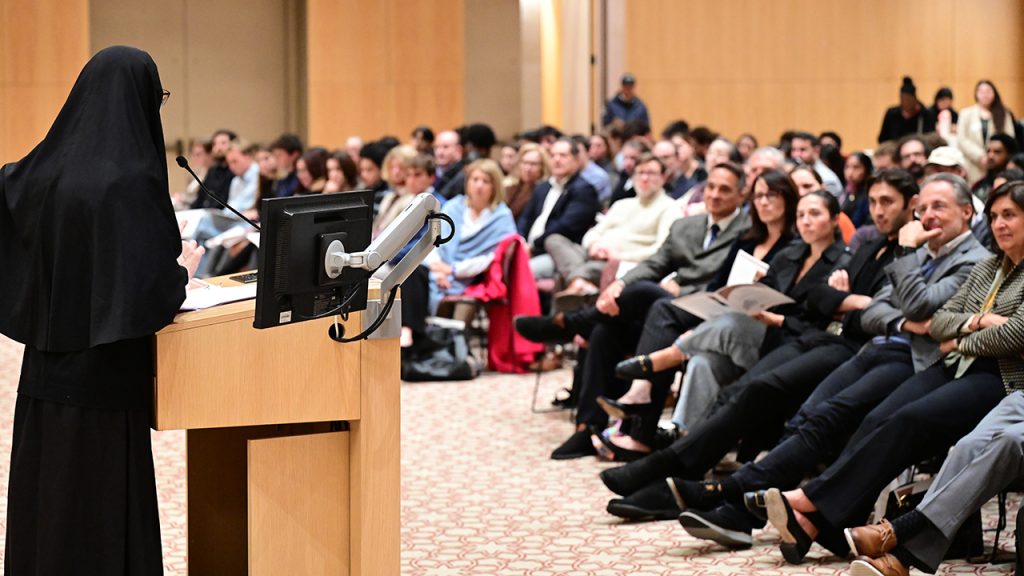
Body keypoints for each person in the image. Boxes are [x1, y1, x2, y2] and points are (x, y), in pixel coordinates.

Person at [1, 45, 203, 573]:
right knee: (100, 503)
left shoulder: (40, 170)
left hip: (45, 370)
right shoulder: (130, 178)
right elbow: (149, 291)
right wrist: (181, 266)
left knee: (48, 492)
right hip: (106, 376)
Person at [764, 179, 1024, 565]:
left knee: (911, 419)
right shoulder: (989, 266)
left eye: (1011, 216)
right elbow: (939, 324)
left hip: (999, 377)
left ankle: (815, 508)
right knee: (881, 417)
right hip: (954, 363)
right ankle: (823, 525)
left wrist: (960, 337)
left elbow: (1014, 337)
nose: (1001, 224)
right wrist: (978, 322)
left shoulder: (978, 258)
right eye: (997, 216)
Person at [958, 79, 1018, 185]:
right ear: (976, 94)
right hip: (973, 164)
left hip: (998, 165)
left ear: (994, 94)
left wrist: (993, 155)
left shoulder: (1004, 113)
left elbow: (1009, 137)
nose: (985, 95)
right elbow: (962, 139)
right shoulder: (966, 114)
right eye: (981, 91)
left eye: (988, 91)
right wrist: (980, 156)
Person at [878, 76, 936, 144]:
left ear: (915, 99)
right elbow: (882, 139)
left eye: (908, 99)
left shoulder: (925, 115)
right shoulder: (892, 114)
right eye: (902, 99)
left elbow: (931, 139)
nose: (905, 102)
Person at [503, 143, 550, 219]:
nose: (527, 168)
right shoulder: (512, 187)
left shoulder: (543, 192)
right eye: (525, 163)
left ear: (542, 167)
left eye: (533, 164)